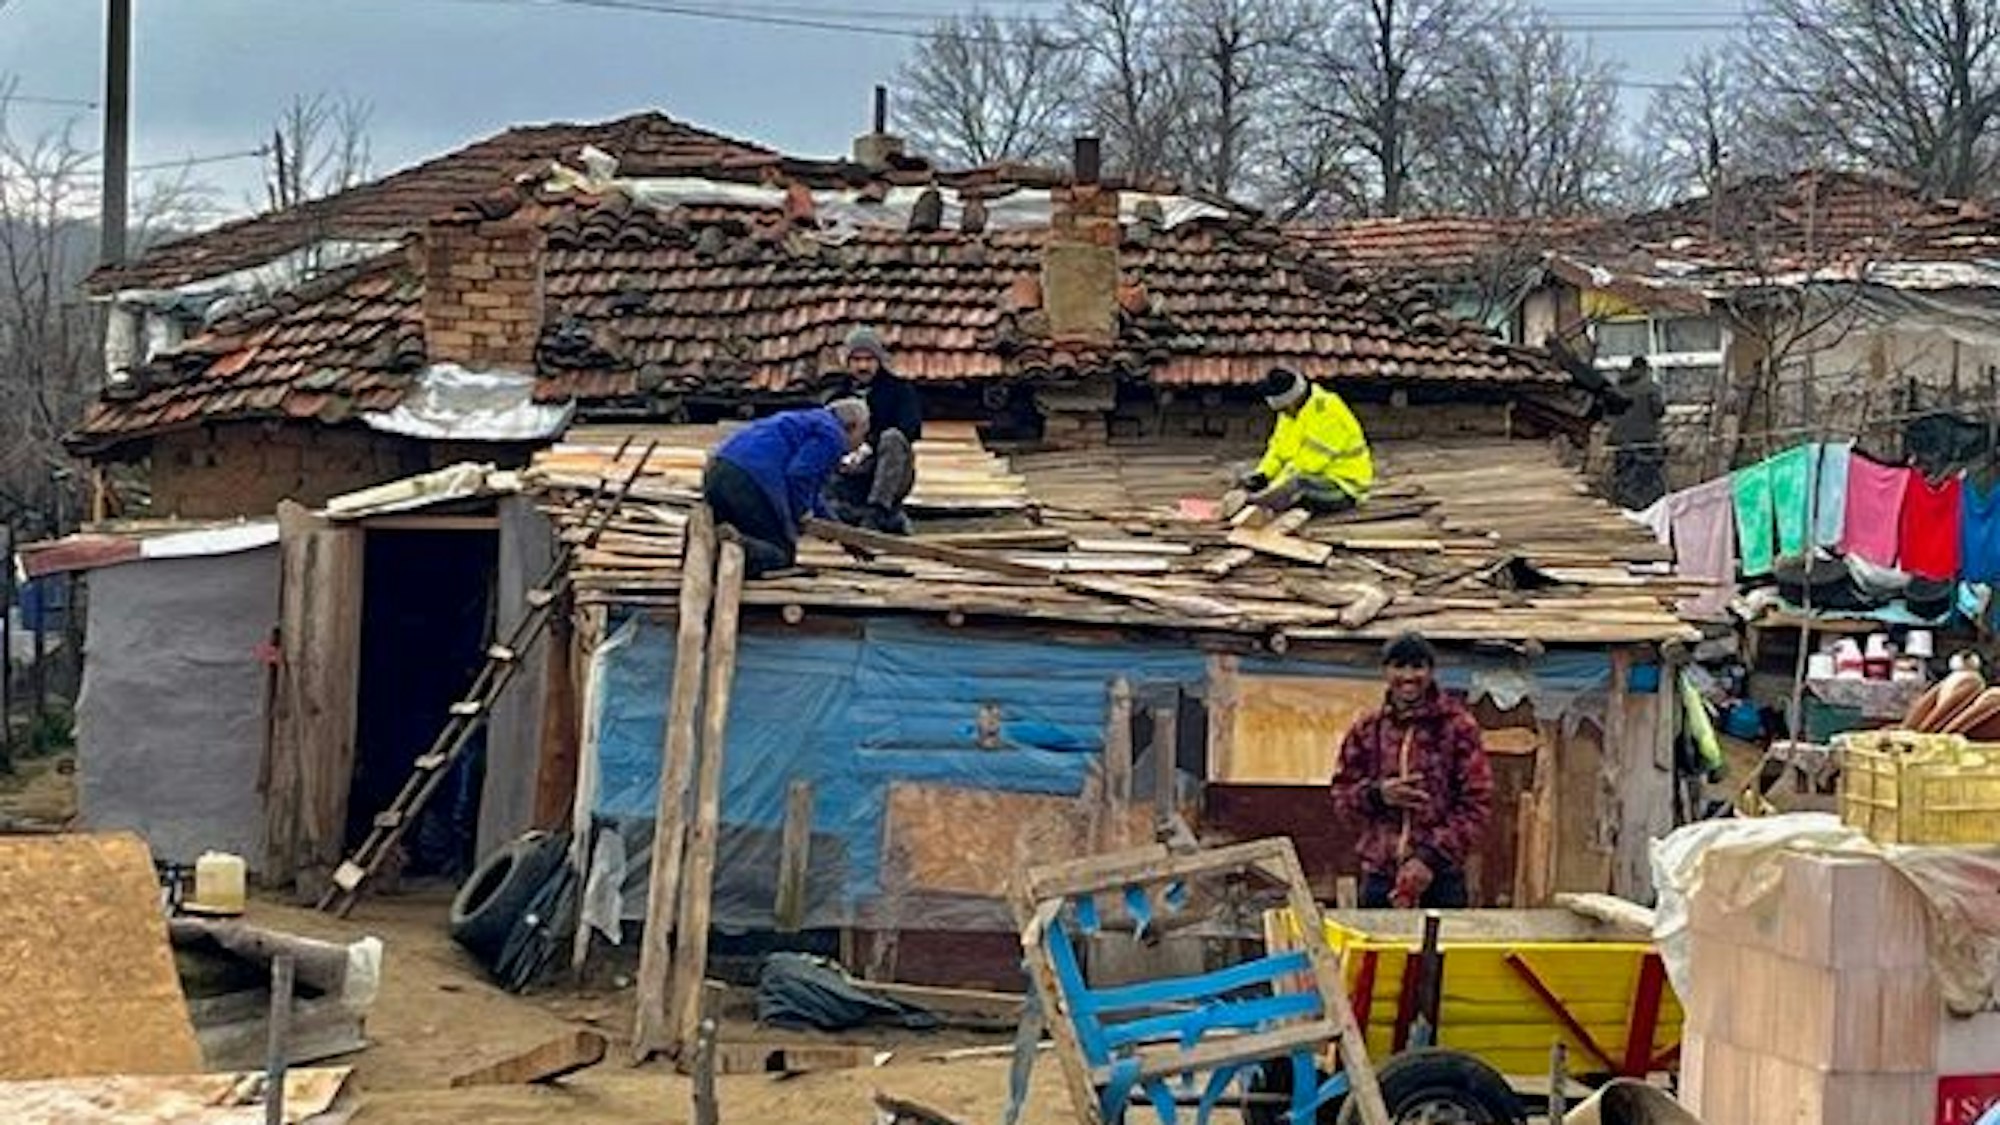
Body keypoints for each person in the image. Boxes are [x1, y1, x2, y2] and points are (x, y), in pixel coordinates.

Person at [1330, 632, 1493, 909]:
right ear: (1386, 671)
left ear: (1430, 671)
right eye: (1399, 666)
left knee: (1441, 952)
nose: (1408, 676)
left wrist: (1428, 857)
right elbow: (1342, 796)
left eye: (1417, 666)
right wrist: (1377, 795)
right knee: (1379, 952)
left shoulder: (1457, 727)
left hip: (1441, 878)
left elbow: (1477, 804)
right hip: (1381, 875)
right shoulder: (1367, 730)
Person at [703, 399, 870, 578]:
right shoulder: (833, 436)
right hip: (750, 480)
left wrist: (841, 534)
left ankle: (711, 544)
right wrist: (802, 513)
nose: (861, 443)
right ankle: (735, 545)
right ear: (852, 427)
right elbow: (799, 476)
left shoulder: (808, 421)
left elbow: (812, 493)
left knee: (748, 530)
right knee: (781, 554)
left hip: (718, 470)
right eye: (863, 434)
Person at [1237, 367, 1373, 516]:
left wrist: (1269, 492)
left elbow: (1308, 465)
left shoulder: (1327, 410)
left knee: (1296, 487)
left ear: (1294, 399)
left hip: (1344, 488)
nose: (1283, 413)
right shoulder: (1289, 413)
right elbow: (1277, 450)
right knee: (1257, 485)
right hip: (1314, 480)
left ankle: (1256, 508)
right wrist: (1262, 475)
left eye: (1284, 408)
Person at [825, 327, 922, 535]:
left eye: (869, 359)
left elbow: (911, 428)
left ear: (879, 360)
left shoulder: (899, 391)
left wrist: (870, 444)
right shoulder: (837, 397)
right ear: (848, 362)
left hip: (889, 472)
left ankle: (877, 512)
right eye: (857, 360)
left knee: (893, 438)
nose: (863, 366)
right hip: (850, 475)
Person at [1606, 356, 1667, 510]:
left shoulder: (1618, 387)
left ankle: (1624, 508)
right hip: (1645, 439)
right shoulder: (1650, 388)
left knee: (1624, 478)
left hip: (1620, 441)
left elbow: (1608, 413)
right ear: (1646, 370)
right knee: (1647, 478)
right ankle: (1649, 510)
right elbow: (1658, 410)